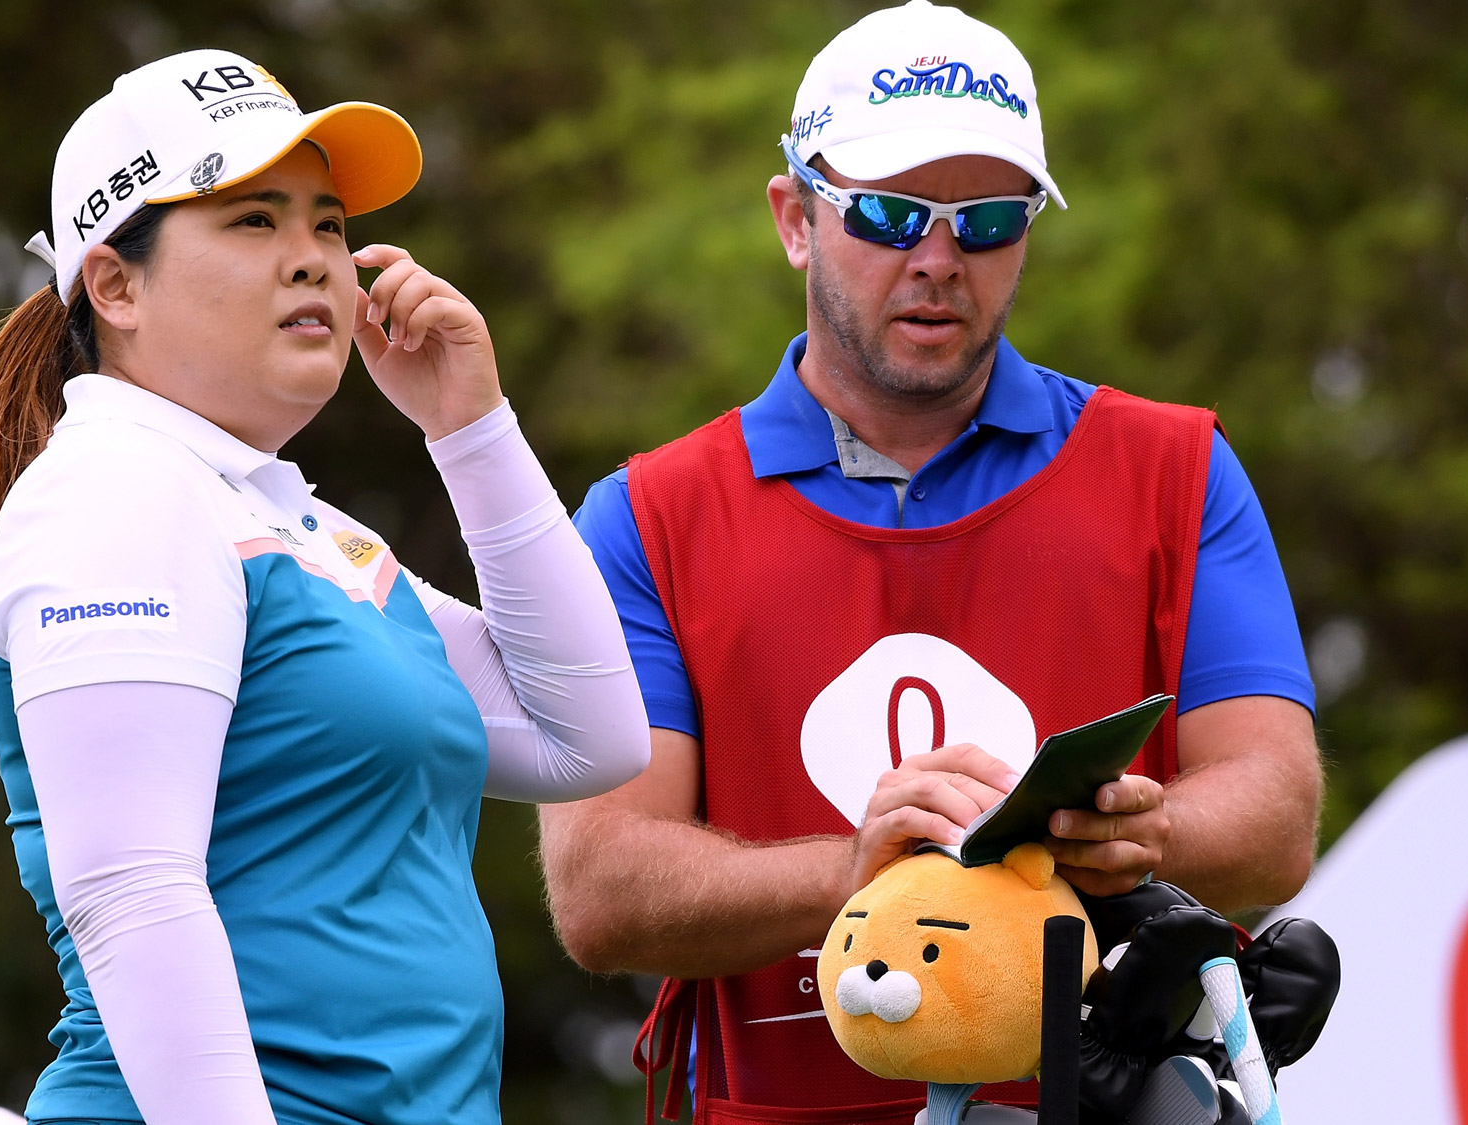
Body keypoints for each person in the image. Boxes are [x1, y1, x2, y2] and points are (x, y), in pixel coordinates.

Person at [536, 3, 1322, 1122]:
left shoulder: (1175, 469)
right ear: (794, 219)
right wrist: (859, 869)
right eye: (892, 215)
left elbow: (1275, 812)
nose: (939, 260)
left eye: (988, 220)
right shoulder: (643, 516)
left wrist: (1147, 832)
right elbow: (598, 889)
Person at [0, 49, 649, 1125]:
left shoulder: (288, 525)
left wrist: (471, 430)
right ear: (114, 284)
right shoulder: (115, 491)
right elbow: (129, 895)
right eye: (254, 222)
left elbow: (592, 739)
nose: (313, 262)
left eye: (329, 226)